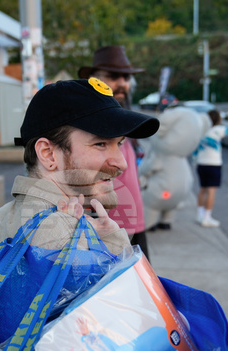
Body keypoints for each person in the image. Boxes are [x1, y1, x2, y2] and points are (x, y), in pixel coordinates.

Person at [0, 78, 160, 268]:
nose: (121, 163)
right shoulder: (55, 234)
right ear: (48, 154)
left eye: (119, 143)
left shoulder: (6, 220)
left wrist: (111, 239)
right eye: (101, 144)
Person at [78, 46, 151, 259]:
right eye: (113, 76)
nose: (122, 83)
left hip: (134, 224)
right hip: (103, 231)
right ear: (93, 79)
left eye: (126, 77)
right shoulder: (85, 123)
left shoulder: (125, 121)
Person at [193, 109, 228, 228]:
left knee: (202, 189)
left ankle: (199, 215)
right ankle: (207, 218)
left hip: (201, 164)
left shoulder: (200, 131)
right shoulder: (218, 130)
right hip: (214, 165)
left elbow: (195, 151)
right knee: (211, 191)